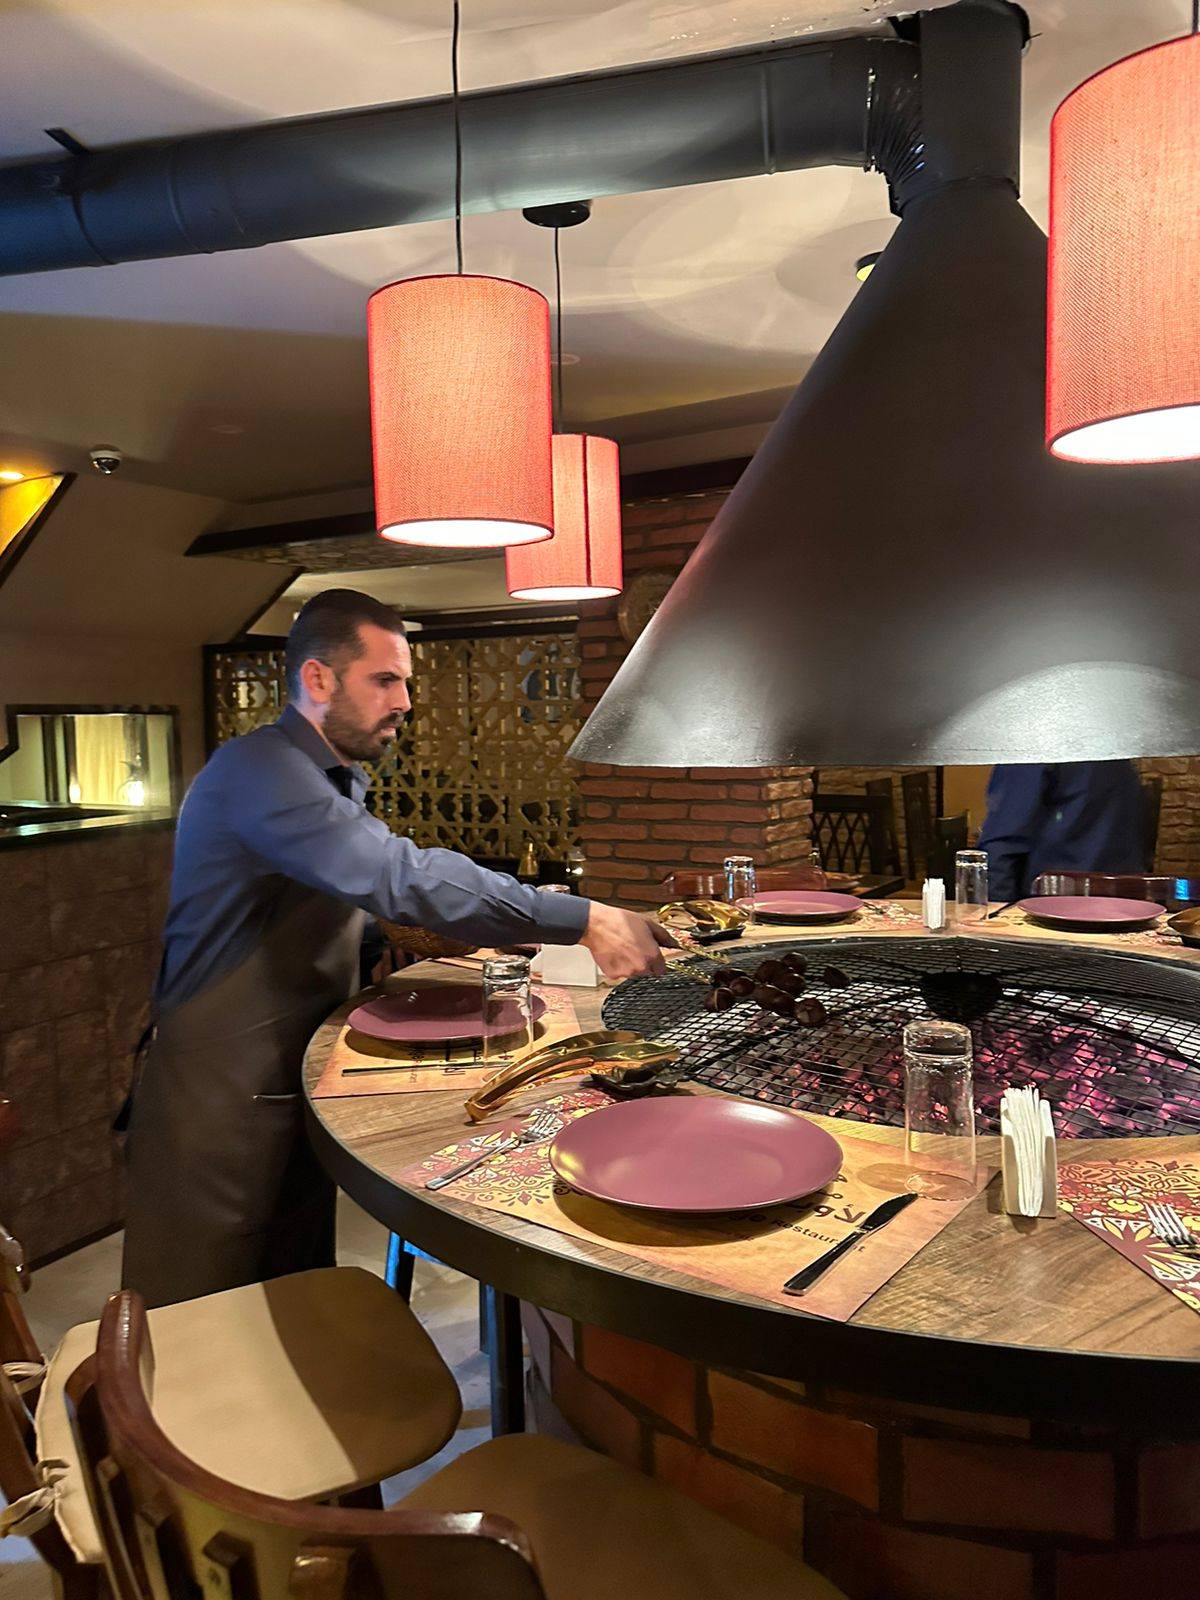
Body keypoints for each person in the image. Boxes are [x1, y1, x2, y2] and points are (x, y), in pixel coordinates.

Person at [122, 589, 674, 1308]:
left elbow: (308, 908)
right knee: (198, 1321)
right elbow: (398, 874)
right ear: (318, 679)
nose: (406, 702)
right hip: (216, 1095)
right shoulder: (262, 771)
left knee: (291, 1301)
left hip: (277, 1079)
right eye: (385, 680)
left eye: (405, 682)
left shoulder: (324, 775)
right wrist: (581, 918)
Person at [977, 760, 1145, 903]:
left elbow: (1003, 843)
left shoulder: (1034, 746)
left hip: (1052, 907)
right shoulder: (1119, 752)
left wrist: (992, 917)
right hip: (1125, 904)